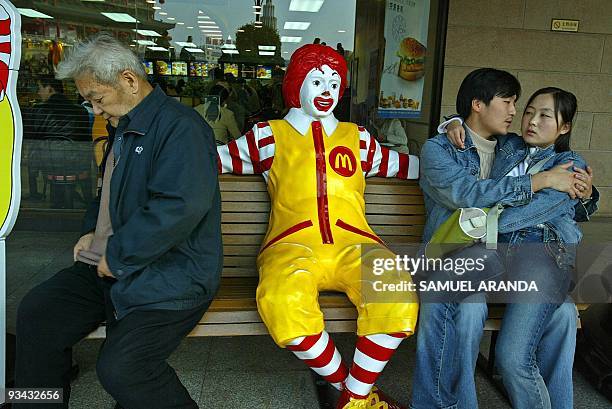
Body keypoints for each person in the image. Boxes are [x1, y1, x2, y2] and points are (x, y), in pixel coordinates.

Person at [14, 33, 221, 409]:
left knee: (124, 369)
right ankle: (32, 404)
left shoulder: (181, 128)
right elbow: (106, 190)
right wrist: (91, 231)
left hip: (170, 274)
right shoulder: (123, 126)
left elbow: (180, 205)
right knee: (37, 312)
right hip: (116, 264)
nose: (94, 110)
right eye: (88, 101)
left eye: (97, 98)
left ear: (128, 80)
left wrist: (118, 253)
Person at [217, 44, 420, 409]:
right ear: (297, 85)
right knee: (282, 299)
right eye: (316, 81)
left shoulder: (358, 139)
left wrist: (457, 146)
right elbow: (208, 160)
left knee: (395, 290)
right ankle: (354, 392)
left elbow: (412, 167)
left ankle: (352, 399)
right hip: (291, 245)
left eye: (333, 82)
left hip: (357, 243)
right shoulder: (268, 136)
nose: (326, 91)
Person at [412, 68, 595, 409]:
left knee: (562, 317)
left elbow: (548, 195)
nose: (520, 115)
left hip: (526, 255)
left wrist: (585, 191)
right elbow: (469, 192)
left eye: (538, 113)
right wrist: (452, 121)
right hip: (472, 253)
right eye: (515, 105)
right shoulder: (471, 147)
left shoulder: (535, 154)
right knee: (451, 299)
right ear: (479, 104)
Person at [23, 74, 91, 200]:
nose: (38, 93)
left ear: (49, 88)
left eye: (39, 88)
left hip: (49, 163)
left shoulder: (39, 110)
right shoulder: (80, 111)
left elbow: (31, 138)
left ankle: (34, 193)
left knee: (34, 147)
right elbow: (86, 139)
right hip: (77, 163)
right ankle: (80, 196)